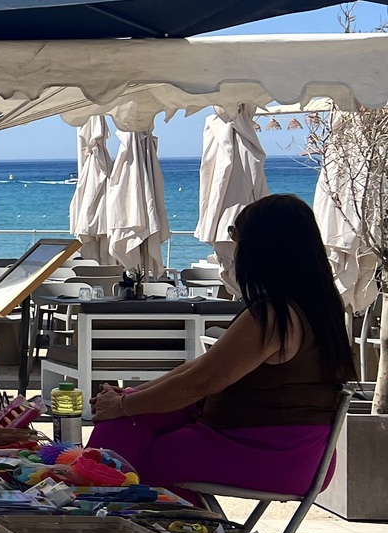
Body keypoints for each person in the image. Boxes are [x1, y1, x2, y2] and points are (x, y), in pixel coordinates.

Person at [89, 193, 354, 498]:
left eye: (239, 245)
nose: (235, 254)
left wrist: (124, 405)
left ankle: (95, 511)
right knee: (127, 425)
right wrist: (129, 397)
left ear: (262, 250)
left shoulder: (272, 315)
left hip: (271, 452)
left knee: (125, 457)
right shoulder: (317, 307)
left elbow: (201, 382)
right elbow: (202, 368)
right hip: (292, 449)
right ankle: (180, 530)